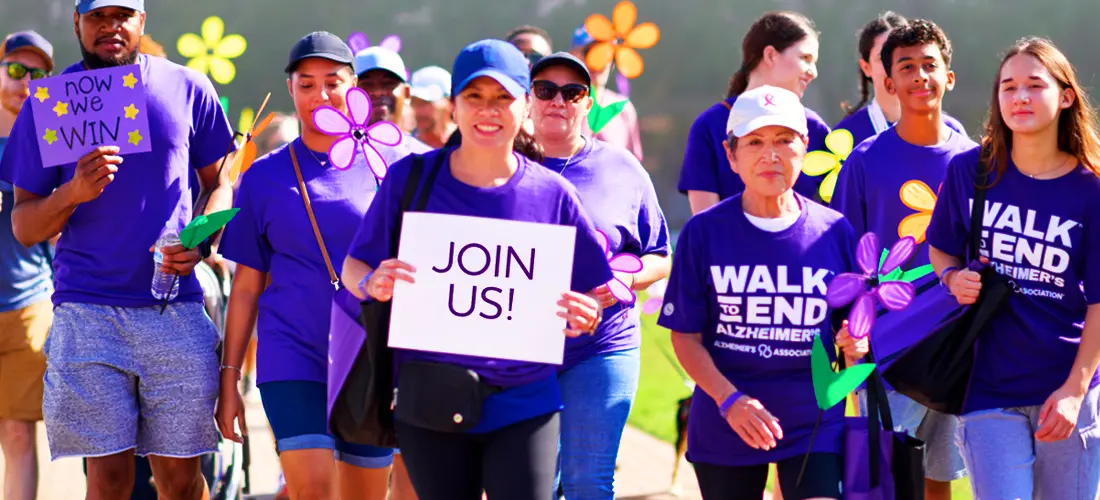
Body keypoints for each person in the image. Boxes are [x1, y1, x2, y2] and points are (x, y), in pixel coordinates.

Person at [340, 39, 611, 499]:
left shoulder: (554, 195)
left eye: (503, 97)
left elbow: (591, 293)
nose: (489, 110)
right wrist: (371, 282)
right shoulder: (411, 179)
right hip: (431, 399)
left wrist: (587, 314)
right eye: (474, 96)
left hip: (526, 402)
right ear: (454, 105)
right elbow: (354, 265)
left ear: (525, 105)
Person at [0, 0, 237, 498]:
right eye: (97, 17)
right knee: (107, 480)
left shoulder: (187, 86)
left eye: (122, 15)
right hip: (86, 312)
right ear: (77, 23)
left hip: (174, 306)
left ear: (142, 20)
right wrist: (72, 192)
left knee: (180, 480)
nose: (110, 26)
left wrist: (200, 240)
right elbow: (24, 226)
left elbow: (221, 183)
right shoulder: (49, 103)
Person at [215, 32, 423, 500]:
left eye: (332, 82)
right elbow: (246, 288)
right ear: (290, 89)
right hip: (292, 353)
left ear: (354, 88)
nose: (320, 95)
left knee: (363, 494)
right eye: (306, 84)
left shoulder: (402, 162)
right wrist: (229, 380)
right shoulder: (263, 177)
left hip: (372, 356)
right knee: (312, 489)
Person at [659, 85, 864, 500]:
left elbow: (852, 327)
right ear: (731, 155)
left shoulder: (835, 231)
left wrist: (856, 342)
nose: (770, 155)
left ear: (804, 147)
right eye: (754, 142)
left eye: (784, 140)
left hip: (814, 421)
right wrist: (730, 400)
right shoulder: (704, 232)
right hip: (727, 417)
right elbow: (685, 336)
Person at [927, 36, 1100, 500]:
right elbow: (940, 248)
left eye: (1034, 85)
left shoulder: (1091, 190)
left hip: (1064, 389)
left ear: (1066, 97)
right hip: (986, 387)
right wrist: (951, 278)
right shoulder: (970, 170)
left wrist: (1075, 391)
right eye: (1008, 87)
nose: (1020, 96)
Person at [831, 20, 974, 500]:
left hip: (957, 346)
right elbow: (845, 257)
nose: (919, 77)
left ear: (949, 77)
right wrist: (850, 332)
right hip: (887, 347)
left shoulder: (977, 162)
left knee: (939, 479)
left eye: (929, 65)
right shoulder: (865, 160)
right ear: (888, 82)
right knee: (885, 480)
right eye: (906, 67)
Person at [529, 52, 671, 498]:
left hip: (602, 345)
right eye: (545, 90)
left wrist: (621, 282)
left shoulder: (621, 168)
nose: (558, 101)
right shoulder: (502, 166)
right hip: (520, 346)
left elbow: (660, 255)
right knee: (529, 484)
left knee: (588, 480)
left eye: (572, 92)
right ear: (528, 99)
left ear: (588, 104)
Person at [678, 11, 831, 214]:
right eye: (805, 58)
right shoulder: (710, 126)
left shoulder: (815, 127)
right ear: (770, 55)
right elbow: (705, 225)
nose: (813, 72)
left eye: (785, 141)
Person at [0, 30, 53, 500]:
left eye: (39, 75)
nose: (26, 82)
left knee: (17, 434)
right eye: (16, 70)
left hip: (28, 304)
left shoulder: (57, 140)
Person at [834, 12, 967, 146]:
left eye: (903, 59)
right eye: (883, 58)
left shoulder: (951, 131)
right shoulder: (845, 136)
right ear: (866, 67)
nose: (892, 66)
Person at [568, 24, 645, 162]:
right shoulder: (558, 103)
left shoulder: (623, 108)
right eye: (590, 52)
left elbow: (633, 166)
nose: (598, 62)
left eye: (606, 53)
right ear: (573, 55)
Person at [352, 46, 432, 155]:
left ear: (407, 93)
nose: (378, 92)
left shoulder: (427, 159)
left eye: (388, 84)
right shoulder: (339, 158)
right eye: (367, 85)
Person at [409, 66, 456, 148]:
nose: (419, 111)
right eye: (415, 102)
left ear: (449, 102)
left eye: (426, 103)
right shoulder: (406, 148)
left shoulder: (467, 143)